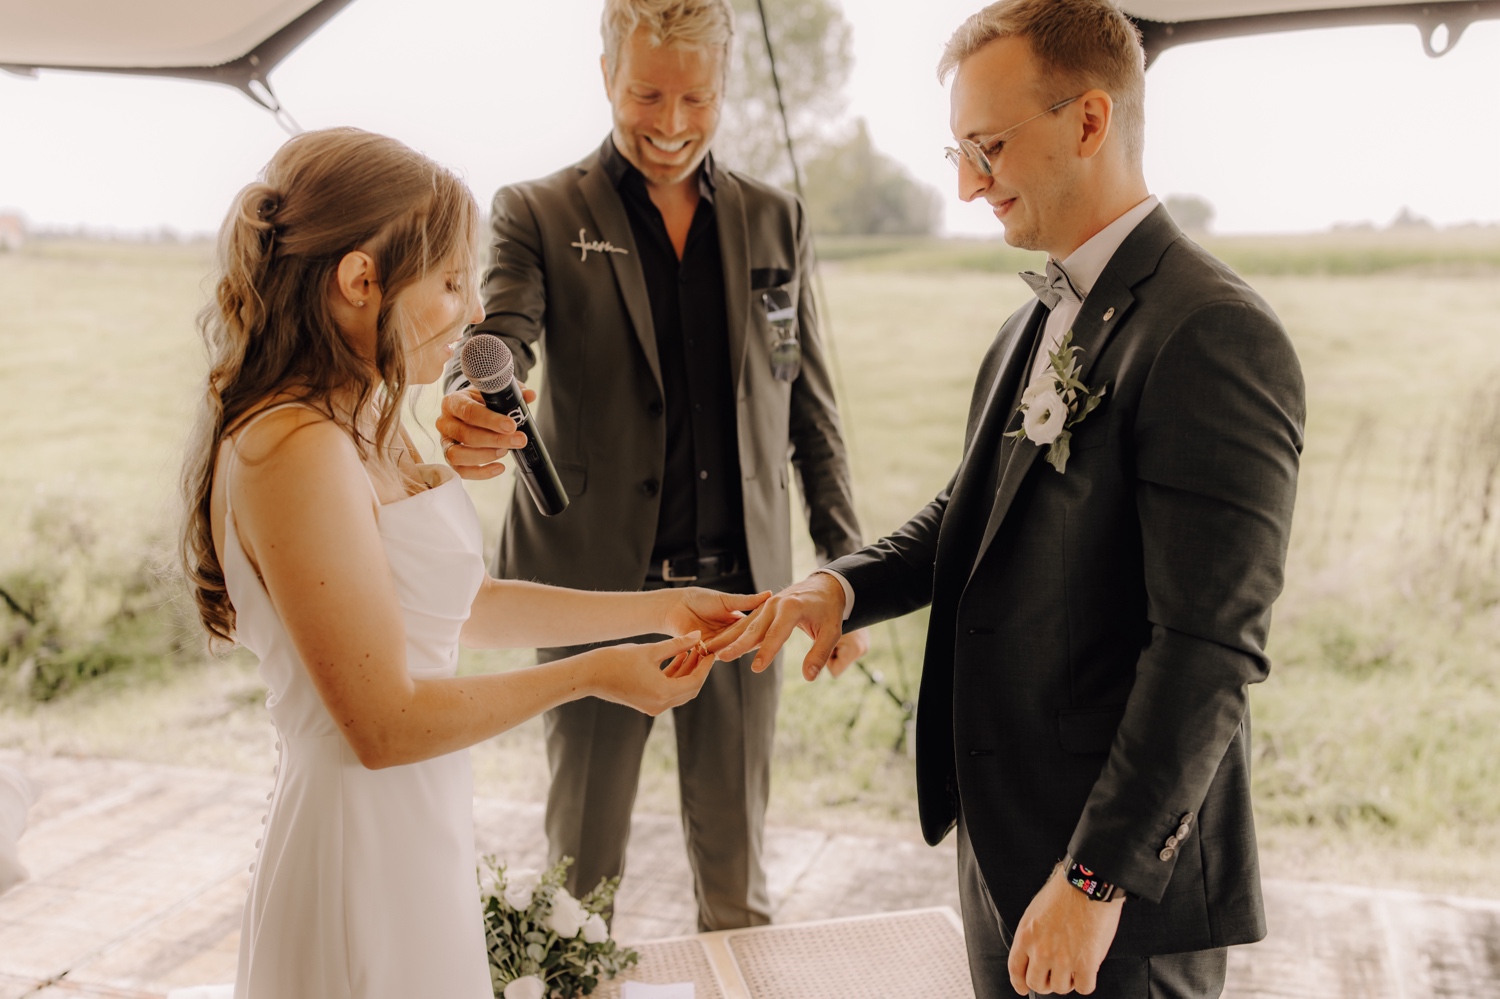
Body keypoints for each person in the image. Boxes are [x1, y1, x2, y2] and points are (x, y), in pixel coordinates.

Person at [708, 1, 1306, 996]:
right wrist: (837, 590)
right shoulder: (1039, 319)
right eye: (958, 148)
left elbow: (1207, 647)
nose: (964, 182)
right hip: (1005, 842)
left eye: (987, 146)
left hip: (1115, 894)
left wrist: (1093, 882)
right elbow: (968, 516)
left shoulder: (1210, 333)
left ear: (1089, 122)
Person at [180, 127, 761, 999]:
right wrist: (593, 675)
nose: (471, 313)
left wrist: (660, 606)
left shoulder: (363, 417)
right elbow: (382, 724)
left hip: (419, 826)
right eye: (452, 282)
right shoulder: (292, 445)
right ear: (359, 280)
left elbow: (464, 603)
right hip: (357, 843)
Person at [436, 0, 866, 931]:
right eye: (646, 94)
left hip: (743, 601)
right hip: (593, 594)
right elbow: (501, 331)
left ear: (725, 87)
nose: (671, 124)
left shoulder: (776, 218)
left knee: (738, 885)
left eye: (695, 98)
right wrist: (478, 392)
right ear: (604, 75)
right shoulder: (536, 211)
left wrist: (844, 572)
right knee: (575, 889)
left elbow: (809, 409)